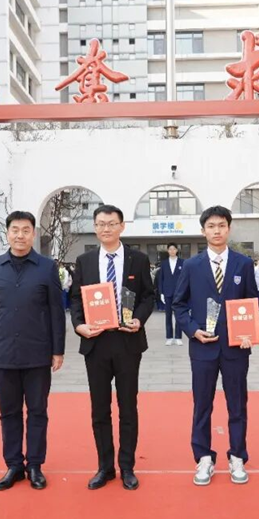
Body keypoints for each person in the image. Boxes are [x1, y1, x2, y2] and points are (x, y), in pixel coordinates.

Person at [70, 204, 155, 491]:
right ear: (95, 227)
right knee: (99, 409)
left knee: (128, 407)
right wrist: (79, 325)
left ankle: (127, 467)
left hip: (127, 341)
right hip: (95, 342)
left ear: (122, 226)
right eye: (101, 224)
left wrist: (139, 319)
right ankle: (105, 467)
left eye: (111, 223)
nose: (106, 228)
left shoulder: (137, 259)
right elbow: (75, 299)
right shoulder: (84, 261)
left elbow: (148, 296)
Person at [0, 211, 66, 491]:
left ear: (33, 234)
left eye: (26, 230)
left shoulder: (46, 267)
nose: (20, 235)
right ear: (7, 233)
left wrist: (58, 350)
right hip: (3, 352)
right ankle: (14, 465)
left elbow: (56, 310)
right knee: (8, 412)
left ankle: (35, 465)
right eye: (15, 230)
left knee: (38, 411)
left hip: (37, 352)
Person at [173, 206, 258, 486]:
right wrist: (192, 330)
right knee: (202, 405)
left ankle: (237, 456)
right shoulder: (191, 266)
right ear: (203, 231)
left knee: (237, 405)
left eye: (222, 225)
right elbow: (179, 304)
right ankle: (204, 457)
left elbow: (251, 302)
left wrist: (249, 332)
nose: (217, 230)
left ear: (229, 229)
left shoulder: (243, 264)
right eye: (211, 226)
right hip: (202, 348)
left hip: (235, 348)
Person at [158, 243, 185, 345]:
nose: (172, 251)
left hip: (179, 293)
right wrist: (161, 293)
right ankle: (169, 337)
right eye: (170, 249)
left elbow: (185, 278)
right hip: (167, 292)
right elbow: (161, 279)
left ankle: (178, 337)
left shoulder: (182, 263)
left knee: (179, 315)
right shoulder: (164, 263)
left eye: (174, 249)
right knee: (168, 315)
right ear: (168, 251)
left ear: (177, 250)